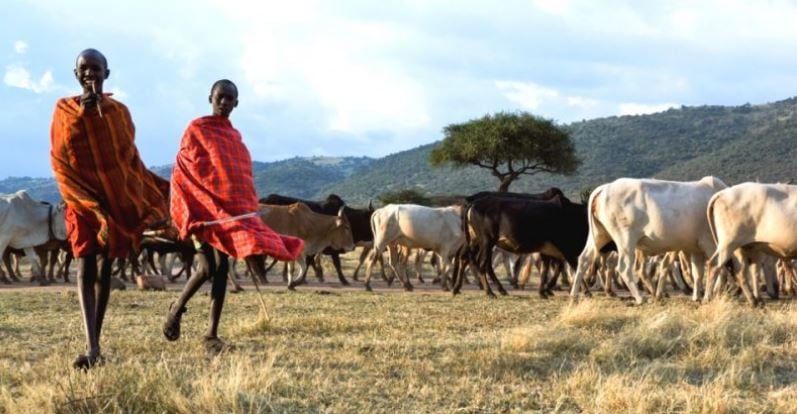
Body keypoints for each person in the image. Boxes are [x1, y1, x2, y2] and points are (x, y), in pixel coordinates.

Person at [50, 49, 169, 369]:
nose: (90, 73)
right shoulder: (64, 110)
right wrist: (83, 115)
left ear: (107, 73)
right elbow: (60, 157)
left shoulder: (119, 112)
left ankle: (96, 342)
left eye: (96, 68)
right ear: (76, 74)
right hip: (81, 202)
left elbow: (128, 160)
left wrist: (146, 193)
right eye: (84, 68)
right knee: (85, 268)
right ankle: (92, 347)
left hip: (115, 201)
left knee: (104, 270)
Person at [164, 79, 303, 353]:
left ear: (236, 104)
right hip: (203, 213)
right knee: (207, 268)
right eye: (220, 97)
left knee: (221, 270)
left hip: (228, 216)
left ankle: (211, 335)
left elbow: (240, 177)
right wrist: (194, 207)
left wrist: (244, 208)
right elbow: (184, 171)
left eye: (230, 99)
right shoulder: (196, 130)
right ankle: (176, 309)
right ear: (210, 98)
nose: (225, 102)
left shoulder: (235, 139)